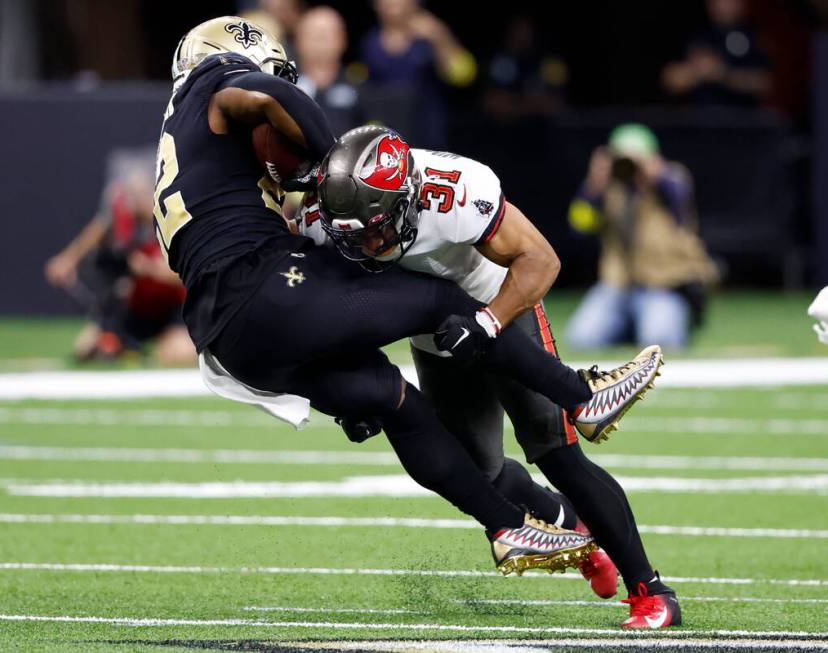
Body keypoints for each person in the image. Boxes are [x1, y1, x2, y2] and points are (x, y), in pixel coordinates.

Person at [157, 16, 660, 580]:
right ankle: (579, 394)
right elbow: (271, 96)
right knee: (440, 302)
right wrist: (327, 163)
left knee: (391, 397)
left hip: (226, 336)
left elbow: (539, 257)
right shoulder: (220, 83)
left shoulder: (181, 140)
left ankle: (505, 527)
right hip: (265, 284)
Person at [306, 125, 680, 629]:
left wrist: (488, 322)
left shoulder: (456, 189)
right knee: (476, 471)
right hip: (431, 335)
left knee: (557, 450)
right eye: (353, 233)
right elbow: (331, 310)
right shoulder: (320, 219)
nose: (367, 244)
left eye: (374, 227)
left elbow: (541, 259)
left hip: (500, 306)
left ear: (407, 198)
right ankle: (574, 530)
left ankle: (652, 593)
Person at [566, 123, 719, 350]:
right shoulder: (608, 188)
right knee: (581, 339)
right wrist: (593, 186)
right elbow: (580, 225)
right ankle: (627, 329)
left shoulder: (672, 178)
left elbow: (680, 205)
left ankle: (668, 322)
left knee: (660, 341)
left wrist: (653, 175)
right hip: (617, 286)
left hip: (662, 285)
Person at [45, 148, 195, 365]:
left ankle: (143, 348)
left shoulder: (174, 220)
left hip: (171, 309)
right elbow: (98, 229)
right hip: (136, 309)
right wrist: (67, 260)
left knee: (177, 354)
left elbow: (186, 276)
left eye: (139, 194)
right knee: (86, 347)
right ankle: (125, 344)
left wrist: (150, 269)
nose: (133, 202)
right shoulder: (125, 221)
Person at [359, 0, 475, 148]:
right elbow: (367, 93)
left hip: (429, 136)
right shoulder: (370, 42)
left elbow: (463, 77)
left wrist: (440, 37)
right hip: (389, 143)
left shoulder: (431, 35)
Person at [661, 0, 771, 106]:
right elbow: (670, 81)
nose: (721, 4)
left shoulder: (755, 36)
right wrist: (697, 71)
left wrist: (723, 75)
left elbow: (765, 84)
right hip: (699, 118)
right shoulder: (697, 34)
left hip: (742, 119)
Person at [294, 7, 365, 138]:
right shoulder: (285, 85)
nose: (320, 41)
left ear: (343, 40)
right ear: (298, 40)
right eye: (313, 34)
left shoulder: (359, 85)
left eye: (326, 34)